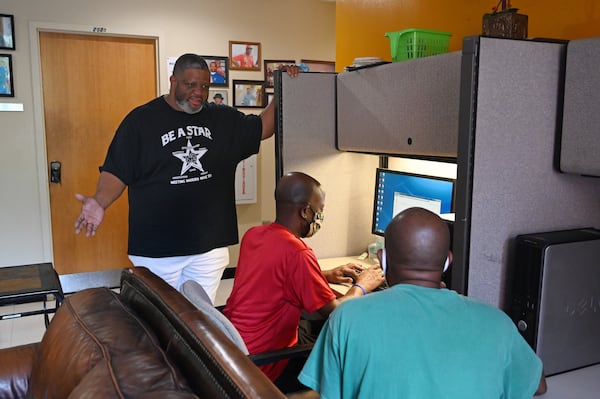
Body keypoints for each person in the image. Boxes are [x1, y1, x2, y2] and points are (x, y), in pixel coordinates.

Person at [74, 53, 300, 303]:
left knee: (201, 321)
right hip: (157, 251)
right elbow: (117, 170)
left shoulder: (222, 119)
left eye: (204, 86)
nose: (198, 92)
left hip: (208, 248)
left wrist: (283, 88)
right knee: (158, 320)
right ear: (173, 81)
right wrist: (99, 201)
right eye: (190, 84)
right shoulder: (140, 122)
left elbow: (263, 128)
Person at [298, 207, 547, 399]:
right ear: (447, 262)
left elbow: (327, 392)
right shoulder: (497, 322)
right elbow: (537, 385)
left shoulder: (347, 318)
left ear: (383, 261)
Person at [223, 172, 385, 389]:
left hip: (237, 352)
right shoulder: (296, 252)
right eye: (320, 210)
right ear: (306, 211)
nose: (320, 216)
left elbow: (277, 276)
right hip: (266, 365)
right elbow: (337, 312)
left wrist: (325, 274)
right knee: (346, 358)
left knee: (312, 331)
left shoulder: (254, 235)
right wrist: (362, 285)